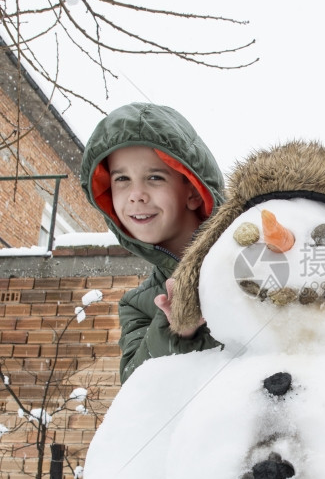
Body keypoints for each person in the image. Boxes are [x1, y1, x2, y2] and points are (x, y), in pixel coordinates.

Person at [80, 102, 225, 383]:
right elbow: (135, 386)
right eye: (122, 179)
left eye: (154, 177)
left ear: (193, 191)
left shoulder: (251, 253)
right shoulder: (138, 305)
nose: (136, 195)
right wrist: (175, 330)